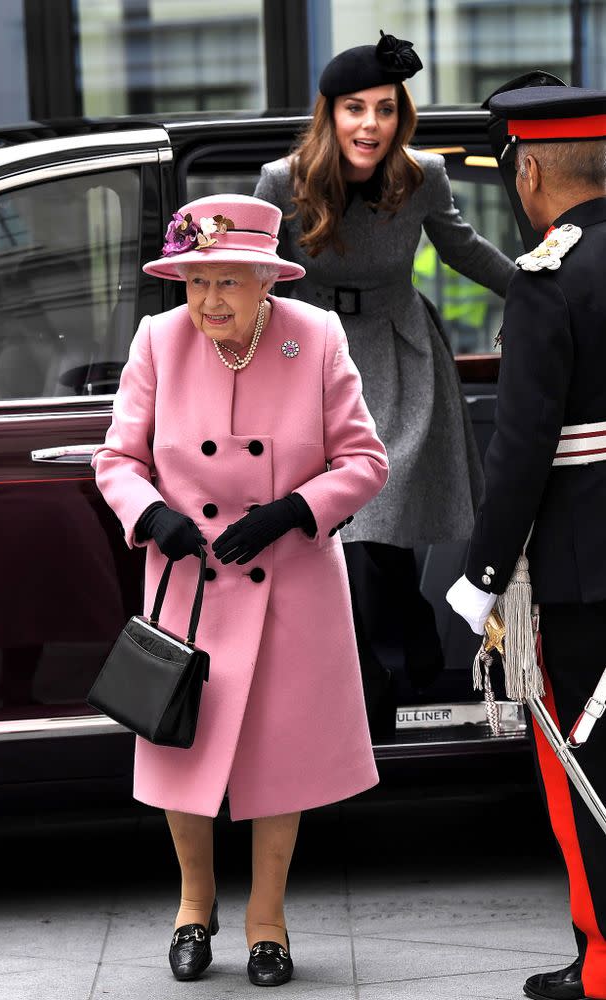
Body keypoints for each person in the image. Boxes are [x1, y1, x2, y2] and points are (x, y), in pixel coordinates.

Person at [91, 193, 389, 987]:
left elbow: (364, 463)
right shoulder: (158, 338)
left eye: (228, 282)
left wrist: (296, 508)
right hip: (188, 586)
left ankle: (267, 920)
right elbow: (115, 460)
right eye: (195, 282)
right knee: (179, 747)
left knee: (277, 757)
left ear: (266, 281)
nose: (208, 301)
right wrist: (155, 517)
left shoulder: (314, 335)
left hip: (287, 582)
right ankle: (194, 905)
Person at [253, 30, 516, 731]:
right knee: (346, 530)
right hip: (308, 360)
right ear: (328, 115)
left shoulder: (422, 174)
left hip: (399, 354)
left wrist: (546, 289)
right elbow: (255, 278)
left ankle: (391, 672)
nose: (370, 124)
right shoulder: (284, 182)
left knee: (377, 524)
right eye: (354, 109)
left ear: (401, 117)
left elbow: (463, 247)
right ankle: (381, 672)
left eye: (386, 109)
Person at [446, 85, 606, 1000]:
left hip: (588, 576)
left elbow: (520, 453)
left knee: (587, 777)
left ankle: (604, 963)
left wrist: (478, 580)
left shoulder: (549, 280)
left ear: (530, 169)